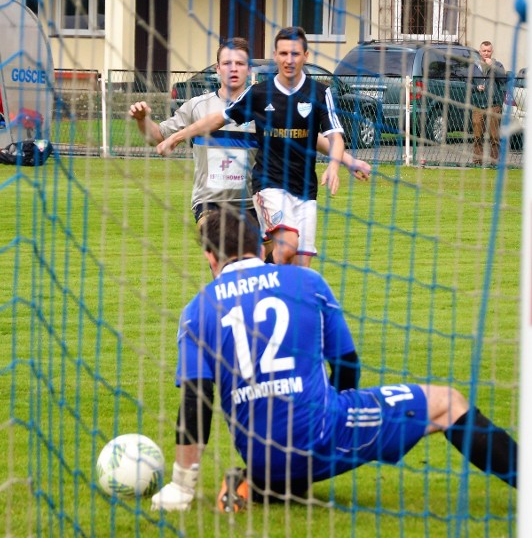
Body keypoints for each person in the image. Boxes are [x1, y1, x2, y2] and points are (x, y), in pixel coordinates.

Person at [150, 210, 517, 512]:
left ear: (210, 257)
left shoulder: (196, 311)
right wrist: (336, 410)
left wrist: (182, 489)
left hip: (260, 452)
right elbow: (347, 364)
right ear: (259, 246)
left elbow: (196, 402)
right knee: (448, 403)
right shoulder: (307, 282)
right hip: (321, 436)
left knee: (280, 448)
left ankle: (255, 482)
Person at [157, 27, 367, 268]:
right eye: (284, 53)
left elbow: (326, 137)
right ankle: (250, 279)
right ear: (275, 55)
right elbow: (217, 118)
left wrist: (343, 162)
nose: (289, 60)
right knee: (286, 246)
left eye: (295, 54)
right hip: (266, 186)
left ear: (306, 56)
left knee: (298, 269)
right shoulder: (258, 95)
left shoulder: (319, 93)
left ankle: (264, 285)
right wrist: (177, 137)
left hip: (305, 189)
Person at [471, 41, 506, 165]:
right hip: (478, 104)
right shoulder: (474, 66)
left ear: (492, 52)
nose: (486, 53)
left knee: (494, 135)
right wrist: (475, 88)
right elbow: (468, 85)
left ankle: (494, 161)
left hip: (493, 104)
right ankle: (477, 160)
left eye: (488, 51)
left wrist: (493, 67)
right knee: (477, 134)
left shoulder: (498, 65)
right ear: (480, 52)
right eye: (484, 51)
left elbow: (503, 79)